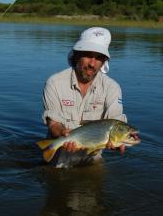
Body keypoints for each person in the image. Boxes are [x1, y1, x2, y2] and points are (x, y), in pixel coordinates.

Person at [42, 27, 127, 167]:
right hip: (59, 160)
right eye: (88, 55)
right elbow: (54, 123)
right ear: (76, 55)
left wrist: (120, 143)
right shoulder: (54, 83)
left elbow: (116, 123)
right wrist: (62, 133)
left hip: (92, 161)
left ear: (104, 61)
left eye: (99, 58)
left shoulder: (112, 88)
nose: (92, 64)